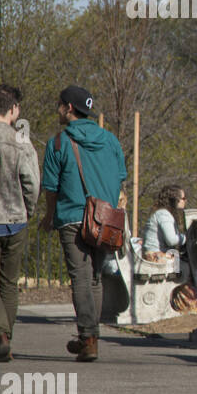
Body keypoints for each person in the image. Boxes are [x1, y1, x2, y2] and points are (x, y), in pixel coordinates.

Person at [39, 86, 126, 363]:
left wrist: (49, 215)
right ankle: (91, 338)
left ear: (69, 108)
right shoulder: (110, 140)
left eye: (59, 105)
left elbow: (51, 187)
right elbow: (121, 177)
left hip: (73, 217)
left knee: (80, 277)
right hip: (104, 219)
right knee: (96, 278)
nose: (57, 110)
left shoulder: (57, 142)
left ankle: (88, 337)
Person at [0, 85, 40, 362]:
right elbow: (32, 182)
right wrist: (29, 209)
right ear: (14, 109)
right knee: (9, 283)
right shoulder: (21, 141)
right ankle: (5, 338)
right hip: (15, 221)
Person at [142, 184, 186, 258]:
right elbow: (171, 240)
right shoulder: (164, 215)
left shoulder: (162, 213)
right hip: (155, 258)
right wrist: (186, 237)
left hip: (153, 255)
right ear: (175, 199)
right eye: (183, 198)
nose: (185, 201)